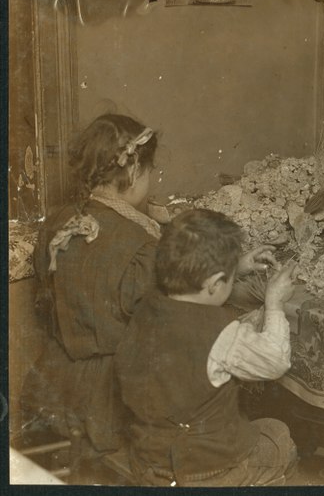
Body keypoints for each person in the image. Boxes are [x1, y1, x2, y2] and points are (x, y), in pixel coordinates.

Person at [115, 209, 299, 486]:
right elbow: (276, 361)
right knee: (279, 436)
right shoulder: (219, 335)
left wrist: (234, 268)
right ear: (214, 284)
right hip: (204, 472)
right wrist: (274, 302)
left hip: (149, 459)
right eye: (224, 279)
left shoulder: (147, 305)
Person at [21, 114, 161, 474]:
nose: (153, 178)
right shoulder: (141, 244)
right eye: (151, 169)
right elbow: (150, 325)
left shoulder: (56, 224)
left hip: (50, 379)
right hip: (108, 395)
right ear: (133, 172)